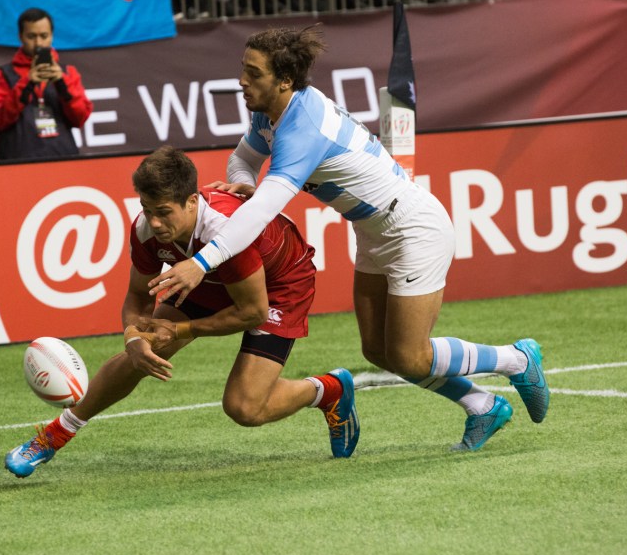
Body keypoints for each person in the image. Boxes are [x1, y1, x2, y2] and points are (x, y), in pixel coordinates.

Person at [152, 25, 549, 452]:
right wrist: (246, 185)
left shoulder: (303, 127)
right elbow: (242, 159)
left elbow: (265, 211)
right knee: (378, 351)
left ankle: (516, 359)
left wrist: (202, 262)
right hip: (375, 234)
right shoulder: (271, 110)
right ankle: (482, 405)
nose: (242, 81)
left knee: (410, 356)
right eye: (243, 69)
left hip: (413, 230)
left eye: (253, 73)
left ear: (284, 80)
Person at [4, 146, 359, 478]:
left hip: (277, 285)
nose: (155, 223)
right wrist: (132, 338)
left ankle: (328, 390)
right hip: (204, 275)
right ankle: (55, 435)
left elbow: (252, 312)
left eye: (163, 213)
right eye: (147, 209)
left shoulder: (226, 232)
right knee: (144, 347)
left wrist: (181, 330)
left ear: (192, 202)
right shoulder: (146, 230)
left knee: (245, 409)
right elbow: (136, 295)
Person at [0, 7, 93, 161]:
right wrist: (27, 83)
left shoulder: (67, 72)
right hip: (18, 161)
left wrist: (62, 83)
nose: (38, 43)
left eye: (44, 36)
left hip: (63, 158)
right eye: (31, 36)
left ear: (52, 36)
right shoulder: (4, 74)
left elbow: (80, 118)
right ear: (20, 37)